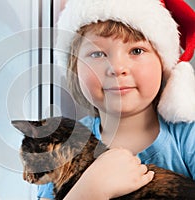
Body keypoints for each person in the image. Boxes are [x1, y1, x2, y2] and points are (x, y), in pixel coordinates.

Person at [38, 0, 195, 199]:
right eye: (97, 53)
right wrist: (89, 191)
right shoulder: (63, 147)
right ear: (74, 68)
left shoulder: (188, 137)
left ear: (163, 64)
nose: (117, 67)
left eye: (136, 51)